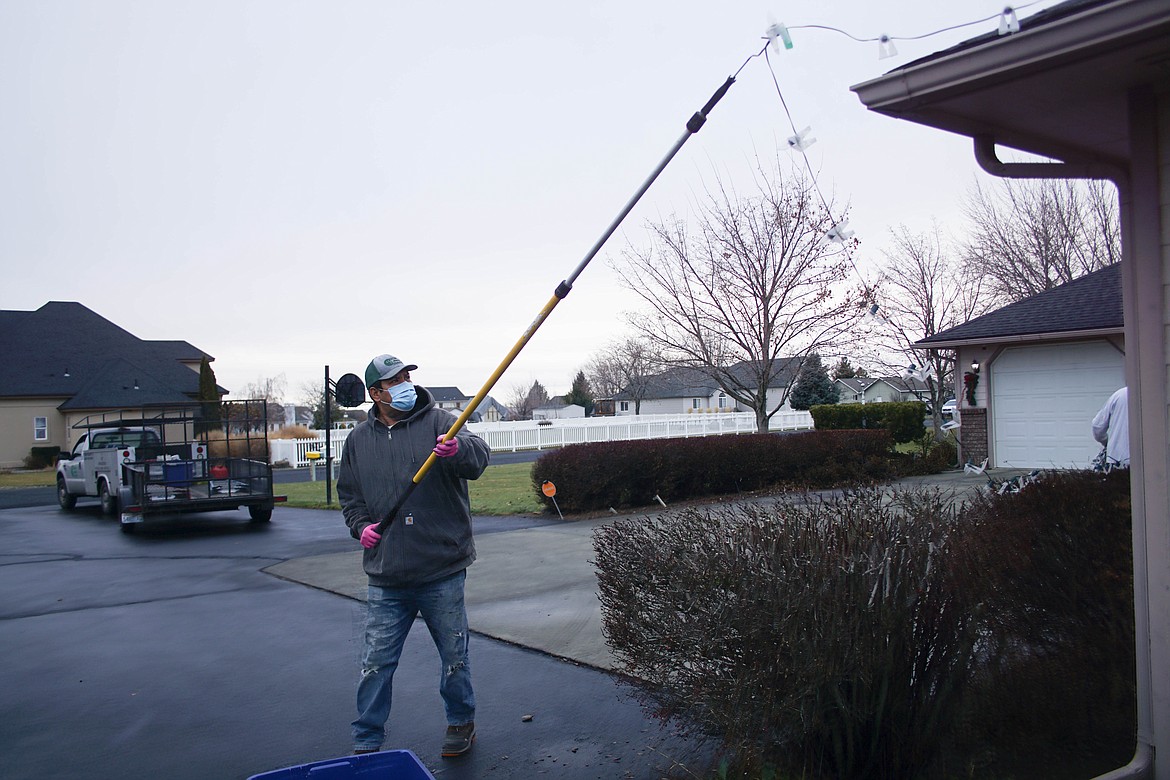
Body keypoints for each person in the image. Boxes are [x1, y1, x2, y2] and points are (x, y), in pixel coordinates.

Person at [337, 353, 491, 757]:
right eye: (395, 380)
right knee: (376, 664)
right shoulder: (358, 441)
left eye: (406, 375)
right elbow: (350, 497)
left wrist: (456, 450)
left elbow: (479, 460)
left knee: (454, 656)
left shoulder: (441, 422)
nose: (405, 383)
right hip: (386, 574)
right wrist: (361, 527)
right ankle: (367, 739)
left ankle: (461, 723)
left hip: (441, 567)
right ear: (375, 393)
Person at [1091, 386, 1130, 467]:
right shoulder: (1156, 394)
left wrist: (1107, 442)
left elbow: (1097, 426)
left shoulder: (1119, 395)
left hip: (1116, 458)